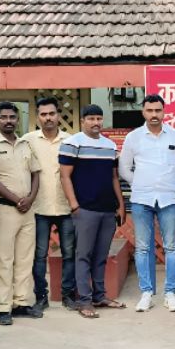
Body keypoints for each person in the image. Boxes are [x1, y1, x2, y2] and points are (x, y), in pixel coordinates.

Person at [119, 94, 175, 313]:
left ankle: (170, 293)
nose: (154, 115)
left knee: (171, 247)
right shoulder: (133, 137)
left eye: (158, 110)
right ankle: (146, 293)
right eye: (150, 111)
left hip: (168, 198)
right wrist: (140, 182)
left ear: (164, 111)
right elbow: (124, 168)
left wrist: (173, 180)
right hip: (141, 199)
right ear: (143, 112)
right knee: (142, 247)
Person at [59, 104, 127, 319]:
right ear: (82, 121)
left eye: (99, 118)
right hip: (85, 209)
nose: (96, 122)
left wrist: (120, 204)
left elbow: (114, 177)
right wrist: (74, 205)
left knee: (101, 256)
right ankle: (84, 300)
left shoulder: (110, 145)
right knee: (83, 256)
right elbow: (64, 176)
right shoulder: (72, 143)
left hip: (107, 209)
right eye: (91, 119)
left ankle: (100, 296)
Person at [0, 102, 42, 326]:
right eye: (4, 117)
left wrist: (30, 199)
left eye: (12, 117)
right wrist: (16, 199)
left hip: (27, 210)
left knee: (25, 259)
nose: (8, 121)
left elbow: (36, 174)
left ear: (18, 120)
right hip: (4, 210)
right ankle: (3, 306)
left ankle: (21, 303)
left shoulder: (25, 144)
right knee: (5, 260)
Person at [22, 97, 78, 310]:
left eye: (52, 114)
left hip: (65, 206)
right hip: (38, 207)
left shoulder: (71, 141)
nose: (48, 118)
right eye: (43, 114)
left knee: (69, 253)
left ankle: (68, 295)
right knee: (39, 255)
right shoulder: (27, 140)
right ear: (38, 117)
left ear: (58, 115)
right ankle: (41, 297)